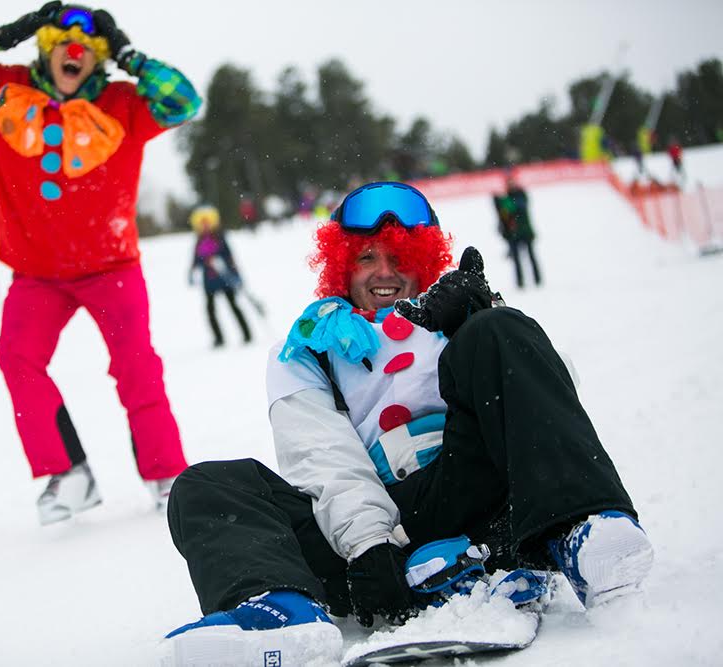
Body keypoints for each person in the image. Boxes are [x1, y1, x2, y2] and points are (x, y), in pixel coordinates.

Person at [158, 182, 654, 665]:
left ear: (423, 264)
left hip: (472, 491)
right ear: (342, 266)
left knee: (501, 332)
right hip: (371, 533)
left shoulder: (456, 319)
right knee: (209, 486)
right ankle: (282, 612)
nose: (384, 274)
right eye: (367, 258)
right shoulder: (306, 348)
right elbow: (320, 452)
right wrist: (371, 547)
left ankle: (580, 531)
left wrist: (483, 314)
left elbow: (546, 391)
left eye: (399, 259)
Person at [0, 2, 200, 524]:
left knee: (136, 365)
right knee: (17, 356)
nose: (74, 54)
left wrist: (130, 57)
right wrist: (5, 34)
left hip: (111, 267)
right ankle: (68, 473)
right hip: (37, 274)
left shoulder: (125, 103)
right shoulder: (2, 89)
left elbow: (184, 101)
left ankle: (168, 475)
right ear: (47, 50)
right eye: (62, 46)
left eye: (89, 51)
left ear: (97, 61)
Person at [188, 205, 252, 348]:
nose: (205, 226)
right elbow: (196, 259)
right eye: (202, 223)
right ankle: (218, 338)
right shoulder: (199, 241)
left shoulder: (220, 238)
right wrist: (191, 272)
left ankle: (247, 334)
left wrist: (236, 275)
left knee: (233, 306)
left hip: (224, 279)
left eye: (207, 222)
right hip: (209, 281)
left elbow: (230, 257)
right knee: (210, 310)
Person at [493, 175, 542, 288]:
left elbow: (518, 207)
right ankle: (520, 282)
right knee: (516, 260)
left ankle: (537, 279)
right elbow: (503, 216)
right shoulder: (505, 199)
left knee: (531, 256)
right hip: (513, 234)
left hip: (525, 232)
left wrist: (505, 202)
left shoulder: (519, 195)